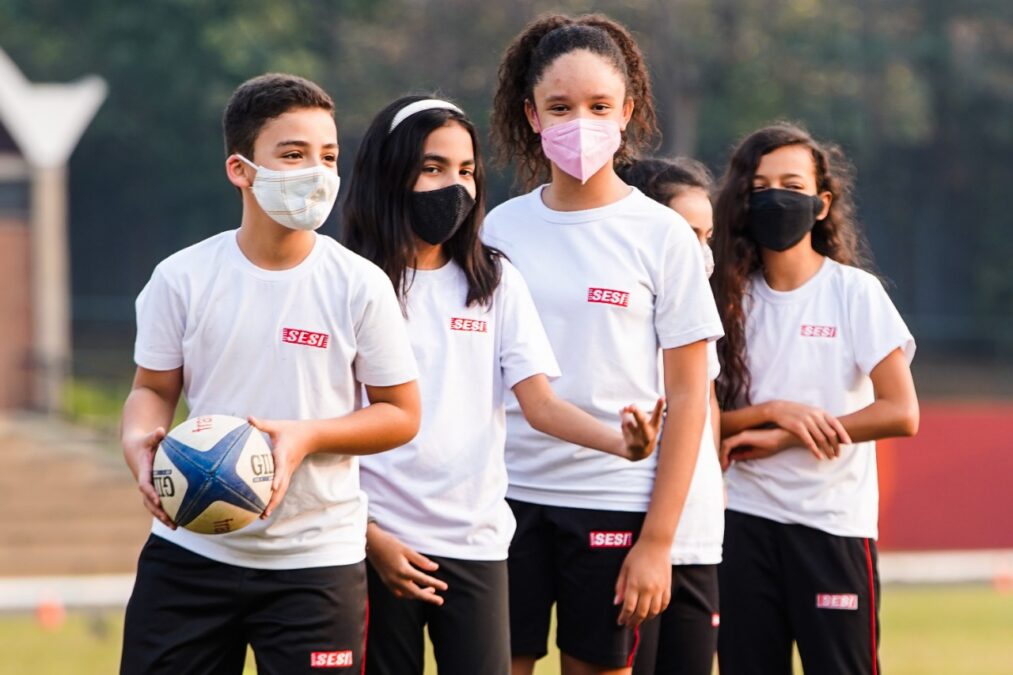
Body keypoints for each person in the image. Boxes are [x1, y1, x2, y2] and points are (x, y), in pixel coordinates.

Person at [343, 95, 663, 675]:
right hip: (378, 545)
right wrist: (370, 537)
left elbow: (538, 404)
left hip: (479, 545)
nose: (454, 186)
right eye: (432, 167)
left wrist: (625, 445)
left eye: (466, 170)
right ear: (389, 170)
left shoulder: (494, 280)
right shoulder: (349, 283)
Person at [119, 73, 421, 675]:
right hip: (192, 548)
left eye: (328, 156)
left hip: (316, 562)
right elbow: (152, 391)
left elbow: (401, 415)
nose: (316, 172)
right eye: (293, 154)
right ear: (241, 169)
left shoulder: (359, 285)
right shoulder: (181, 278)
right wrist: (136, 441)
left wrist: (304, 436)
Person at [486, 14, 724, 675]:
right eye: (559, 106)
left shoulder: (661, 235)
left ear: (627, 111)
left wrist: (656, 541)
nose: (578, 122)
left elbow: (687, 396)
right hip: (506, 498)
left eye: (597, 105)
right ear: (531, 115)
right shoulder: (500, 229)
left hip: (615, 502)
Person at [711, 122, 919, 675]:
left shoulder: (855, 292)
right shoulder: (721, 300)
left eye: (793, 184)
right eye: (760, 186)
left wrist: (786, 437)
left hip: (834, 527)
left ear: (822, 204)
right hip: (741, 524)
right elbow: (700, 416)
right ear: (742, 200)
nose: (777, 198)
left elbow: (901, 411)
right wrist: (770, 416)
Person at [619, 158, 723, 675]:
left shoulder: (698, 312)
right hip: (638, 534)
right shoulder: (623, 314)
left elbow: (704, 402)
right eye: (688, 234)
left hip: (700, 539)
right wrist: (653, 540)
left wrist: (716, 491)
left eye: (707, 236)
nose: (700, 252)